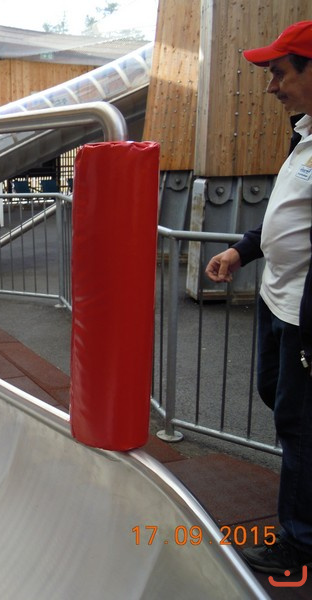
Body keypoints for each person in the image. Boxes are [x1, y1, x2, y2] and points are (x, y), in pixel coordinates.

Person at [205, 20, 312, 575]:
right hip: (279, 303)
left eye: (280, 73)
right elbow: (285, 213)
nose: (271, 87)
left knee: (299, 425)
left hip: (303, 319)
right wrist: (242, 250)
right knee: (277, 397)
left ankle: (299, 541)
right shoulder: (304, 133)